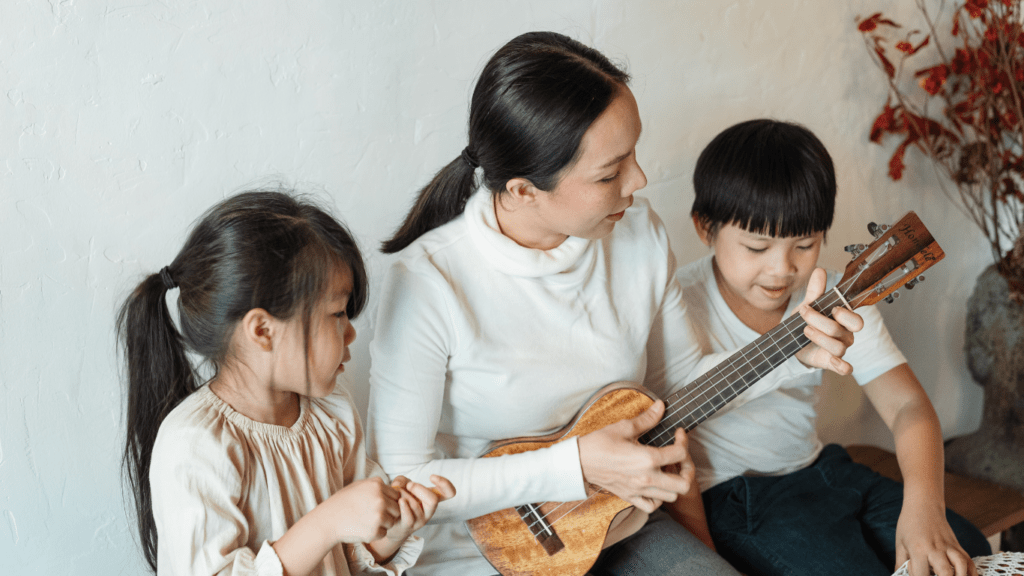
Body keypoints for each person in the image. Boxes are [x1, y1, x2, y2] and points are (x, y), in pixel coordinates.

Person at [366, 33, 862, 576]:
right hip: (485, 554)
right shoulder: (428, 283)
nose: (640, 181)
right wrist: (571, 465)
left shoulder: (638, 235)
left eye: (634, 154)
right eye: (610, 173)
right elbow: (405, 482)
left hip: (619, 530)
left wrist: (794, 352)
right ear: (524, 190)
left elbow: (681, 382)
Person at [678, 119, 992, 576]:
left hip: (822, 469)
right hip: (735, 495)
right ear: (705, 228)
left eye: (804, 244)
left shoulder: (834, 298)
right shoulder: (676, 302)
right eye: (756, 246)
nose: (781, 269)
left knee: (966, 551)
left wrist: (925, 506)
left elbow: (907, 405)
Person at [117, 190, 455, 575]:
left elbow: (350, 559)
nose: (351, 334)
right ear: (262, 330)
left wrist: (391, 533)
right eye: (338, 314)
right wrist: (326, 522)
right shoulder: (197, 444)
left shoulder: (332, 412)